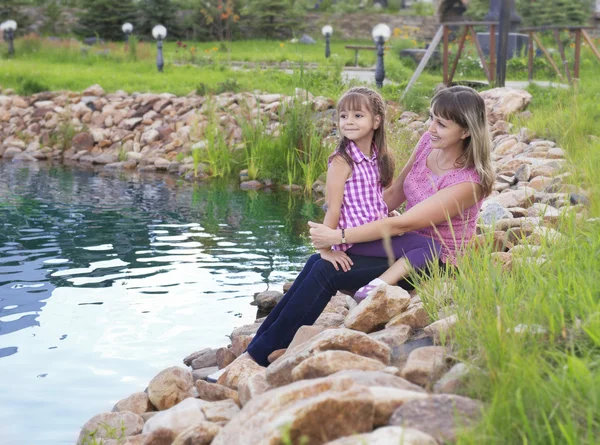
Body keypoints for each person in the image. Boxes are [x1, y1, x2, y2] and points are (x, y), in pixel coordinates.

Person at [239, 85, 493, 368]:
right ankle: (259, 345)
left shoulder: (469, 182)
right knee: (317, 261)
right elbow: (396, 193)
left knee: (326, 271)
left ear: (466, 131)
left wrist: (339, 235)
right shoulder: (427, 144)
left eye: (441, 124)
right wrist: (357, 220)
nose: (431, 127)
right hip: (401, 243)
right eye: (431, 117)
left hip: (435, 260)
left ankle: (257, 357)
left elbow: (403, 222)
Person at [316, 86, 395, 274]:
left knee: (418, 242)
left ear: (376, 121)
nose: (348, 122)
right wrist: (325, 250)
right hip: (354, 242)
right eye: (343, 116)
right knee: (421, 248)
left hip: (375, 234)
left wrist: (389, 215)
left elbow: (378, 199)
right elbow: (333, 209)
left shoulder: (381, 157)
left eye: (358, 116)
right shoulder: (342, 161)